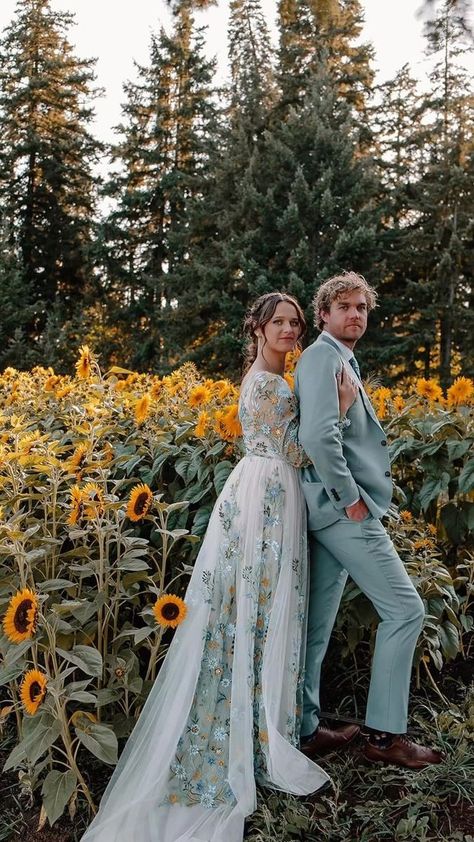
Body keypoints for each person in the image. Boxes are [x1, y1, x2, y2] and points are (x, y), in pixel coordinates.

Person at [80, 292, 357, 842]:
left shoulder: (266, 378)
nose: (290, 330)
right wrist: (342, 410)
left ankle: (260, 720)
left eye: (296, 323)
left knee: (253, 605)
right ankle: (255, 729)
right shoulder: (269, 384)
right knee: (259, 603)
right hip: (268, 498)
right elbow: (300, 451)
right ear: (257, 328)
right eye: (279, 322)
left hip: (259, 491)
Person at [295, 271, 442, 769]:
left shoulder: (341, 359)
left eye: (361, 307)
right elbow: (318, 437)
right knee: (406, 610)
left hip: (326, 512)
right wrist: (350, 499)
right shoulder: (321, 357)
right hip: (341, 512)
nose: (355, 314)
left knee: (314, 625)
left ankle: (305, 726)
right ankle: (385, 737)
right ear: (324, 315)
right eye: (345, 307)